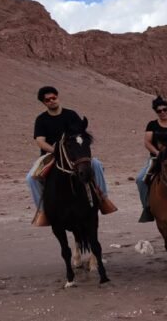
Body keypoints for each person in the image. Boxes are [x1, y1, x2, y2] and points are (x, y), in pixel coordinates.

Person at [26, 86, 115, 226]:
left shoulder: (71, 115)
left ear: (58, 97)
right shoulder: (41, 119)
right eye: (47, 100)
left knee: (96, 164)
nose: (51, 101)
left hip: (73, 153)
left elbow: (80, 134)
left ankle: (103, 199)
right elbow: (40, 141)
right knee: (31, 178)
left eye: (53, 98)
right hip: (51, 154)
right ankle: (43, 211)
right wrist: (54, 150)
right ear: (44, 103)